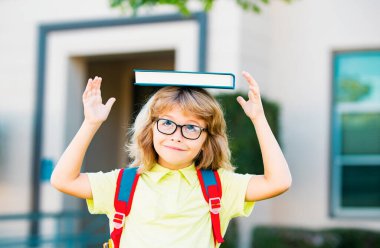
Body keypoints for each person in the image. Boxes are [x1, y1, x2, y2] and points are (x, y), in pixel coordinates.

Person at [51, 71, 292, 248]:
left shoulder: (219, 186)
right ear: (150, 129)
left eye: (191, 127)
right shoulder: (123, 184)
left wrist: (259, 119)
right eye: (167, 124)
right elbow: (63, 179)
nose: (177, 136)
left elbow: (278, 182)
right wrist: (91, 123)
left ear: (207, 139)